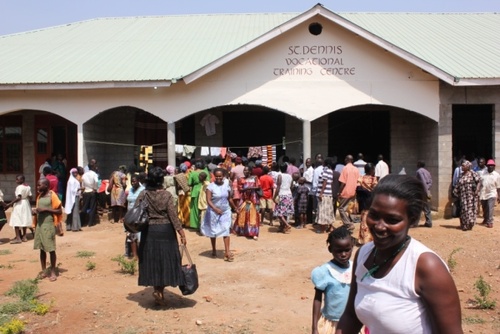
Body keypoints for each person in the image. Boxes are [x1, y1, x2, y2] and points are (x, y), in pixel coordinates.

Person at [336, 175, 463, 334]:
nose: (380, 226)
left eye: (392, 220)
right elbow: (351, 317)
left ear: (412, 220)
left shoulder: (427, 267)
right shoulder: (364, 255)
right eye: (374, 215)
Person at [136, 166, 187, 306]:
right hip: (166, 232)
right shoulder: (166, 195)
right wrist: (181, 233)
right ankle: (161, 290)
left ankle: (157, 289)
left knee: (152, 260)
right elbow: (173, 216)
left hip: (149, 231)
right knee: (166, 260)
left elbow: (137, 211)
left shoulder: (143, 194)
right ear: (161, 180)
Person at [311, 226, 354, 334]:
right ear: (330, 249)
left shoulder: (355, 268)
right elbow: (317, 299)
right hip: (331, 323)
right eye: (339, 251)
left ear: (352, 247)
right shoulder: (325, 272)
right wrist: (314, 327)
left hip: (352, 322)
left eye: (347, 250)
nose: (344, 254)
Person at [201, 168, 236, 261]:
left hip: (225, 211)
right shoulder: (210, 187)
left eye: (220, 176)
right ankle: (214, 249)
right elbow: (208, 201)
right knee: (214, 231)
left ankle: (227, 253)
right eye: (216, 176)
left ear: (223, 176)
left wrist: (235, 207)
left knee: (226, 230)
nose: (218, 178)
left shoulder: (226, 185)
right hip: (213, 211)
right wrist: (215, 209)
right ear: (214, 176)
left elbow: (229, 198)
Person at [33, 178, 62, 282]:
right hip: (40, 225)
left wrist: (45, 209)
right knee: (41, 249)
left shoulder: (52, 195)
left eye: (39, 185)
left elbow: (59, 211)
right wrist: (35, 212)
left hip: (48, 225)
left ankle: (53, 271)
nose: (37, 187)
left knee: (51, 249)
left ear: (46, 185)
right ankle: (44, 270)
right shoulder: (40, 196)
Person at [233, 166, 261, 240]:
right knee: (244, 214)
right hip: (245, 200)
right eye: (244, 170)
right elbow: (240, 189)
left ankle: (253, 233)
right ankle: (244, 231)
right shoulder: (241, 179)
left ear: (250, 171)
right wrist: (247, 189)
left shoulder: (255, 178)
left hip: (254, 200)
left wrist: (248, 188)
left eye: (247, 170)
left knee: (253, 215)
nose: (245, 172)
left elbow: (258, 187)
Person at [453, 160, 481, 231]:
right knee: (464, 210)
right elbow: (458, 185)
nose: (462, 167)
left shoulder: (472, 173)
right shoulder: (461, 175)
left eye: (463, 165)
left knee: (470, 210)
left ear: (468, 166)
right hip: (463, 196)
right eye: (461, 165)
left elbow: (479, 182)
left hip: (471, 196)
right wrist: (455, 193)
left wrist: (477, 190)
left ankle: (470, 224)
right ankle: (464, 225)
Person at [356, 163, 378, 245]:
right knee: (372, 220)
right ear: (371, 170)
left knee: (364, 220)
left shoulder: (361, 178)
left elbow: (357, 189)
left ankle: (363, 240)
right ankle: (370, 239)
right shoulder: (374, 179)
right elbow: (376, 190)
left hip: (363, 201)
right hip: (372, 201)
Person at [337, 155, 360, 231]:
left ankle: (348, 224)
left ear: (346, 159)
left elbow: (343, 182)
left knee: (341, 208)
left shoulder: (345, 168)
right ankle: (347, 223)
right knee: (348, 208)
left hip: (346, 191)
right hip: (353, 191)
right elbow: (358, 181)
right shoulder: (356, 169)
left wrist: (339, 192)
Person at [8, 175, 32, 244]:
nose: (16, 181)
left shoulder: (19, 187)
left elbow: (19, 197)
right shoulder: (28, 186)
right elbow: (30, 196)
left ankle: (18, 238)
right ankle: (24, 236)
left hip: (19, 204)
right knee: (24, 219)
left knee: (16, 220)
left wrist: (10, 203)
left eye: (17, 180)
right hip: (25, 203)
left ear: (22, 180)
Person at [125, 174, 145, 260]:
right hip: (130, 215)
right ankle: (134, 255)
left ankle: (142, 255)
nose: (133, 183)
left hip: (139, 215)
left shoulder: (143, 190)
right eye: (131, 182)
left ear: (138, 181)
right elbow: (128, 203)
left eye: (134, 181)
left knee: (140, 237)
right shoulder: (130, 190)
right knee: (131, 236)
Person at [317, 158, 337, 233]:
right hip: (329, 193)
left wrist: (321, 193)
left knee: (323, 211)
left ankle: (322, 229)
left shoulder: (325, 171)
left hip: (324, 194)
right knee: (329, 210)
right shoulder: (331, 171)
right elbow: (330, 183)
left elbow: (324, 182)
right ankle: (330, 227)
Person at [273, 163, 294, 233]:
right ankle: (282, 227)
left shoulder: (280, 176)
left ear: (280, 169)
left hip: (282, 195)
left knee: (279, 213)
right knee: (284, 213)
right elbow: (291, 186)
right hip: (289, 194)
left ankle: (286, 225)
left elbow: (278, 187)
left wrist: (274, 196)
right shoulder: (290, 176)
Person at [479, 159, 500, 228]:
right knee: (484, 207)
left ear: (494, 167)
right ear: (487, 166)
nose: (490, 167)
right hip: (483, 193)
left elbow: (498, 187)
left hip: (492, 193)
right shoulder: (483, 173)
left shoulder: (497, 175)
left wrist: (499, 196)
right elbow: (479, 183)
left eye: (492, 166)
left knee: (490, 207)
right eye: (489, 165)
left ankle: (490, 221)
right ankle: (485, 219)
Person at [415, 161, 433, 228]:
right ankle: (429, 222)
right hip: (426, 191)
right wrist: (428, 190)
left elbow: (423, 182)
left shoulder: (419, 171)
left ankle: (415, 223)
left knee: (418, 207)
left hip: (422, 191)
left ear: (419, 164)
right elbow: (430, 182)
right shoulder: (427, 172)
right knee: (426, 207)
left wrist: (426, 191)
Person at [188, 161, 204, 230]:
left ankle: (196, 225)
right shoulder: (205, 172)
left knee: (195, 209)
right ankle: (203, 224)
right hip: (204, 190)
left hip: (195, 191)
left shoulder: (193, 173)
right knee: (203, 208)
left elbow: (189, 183)